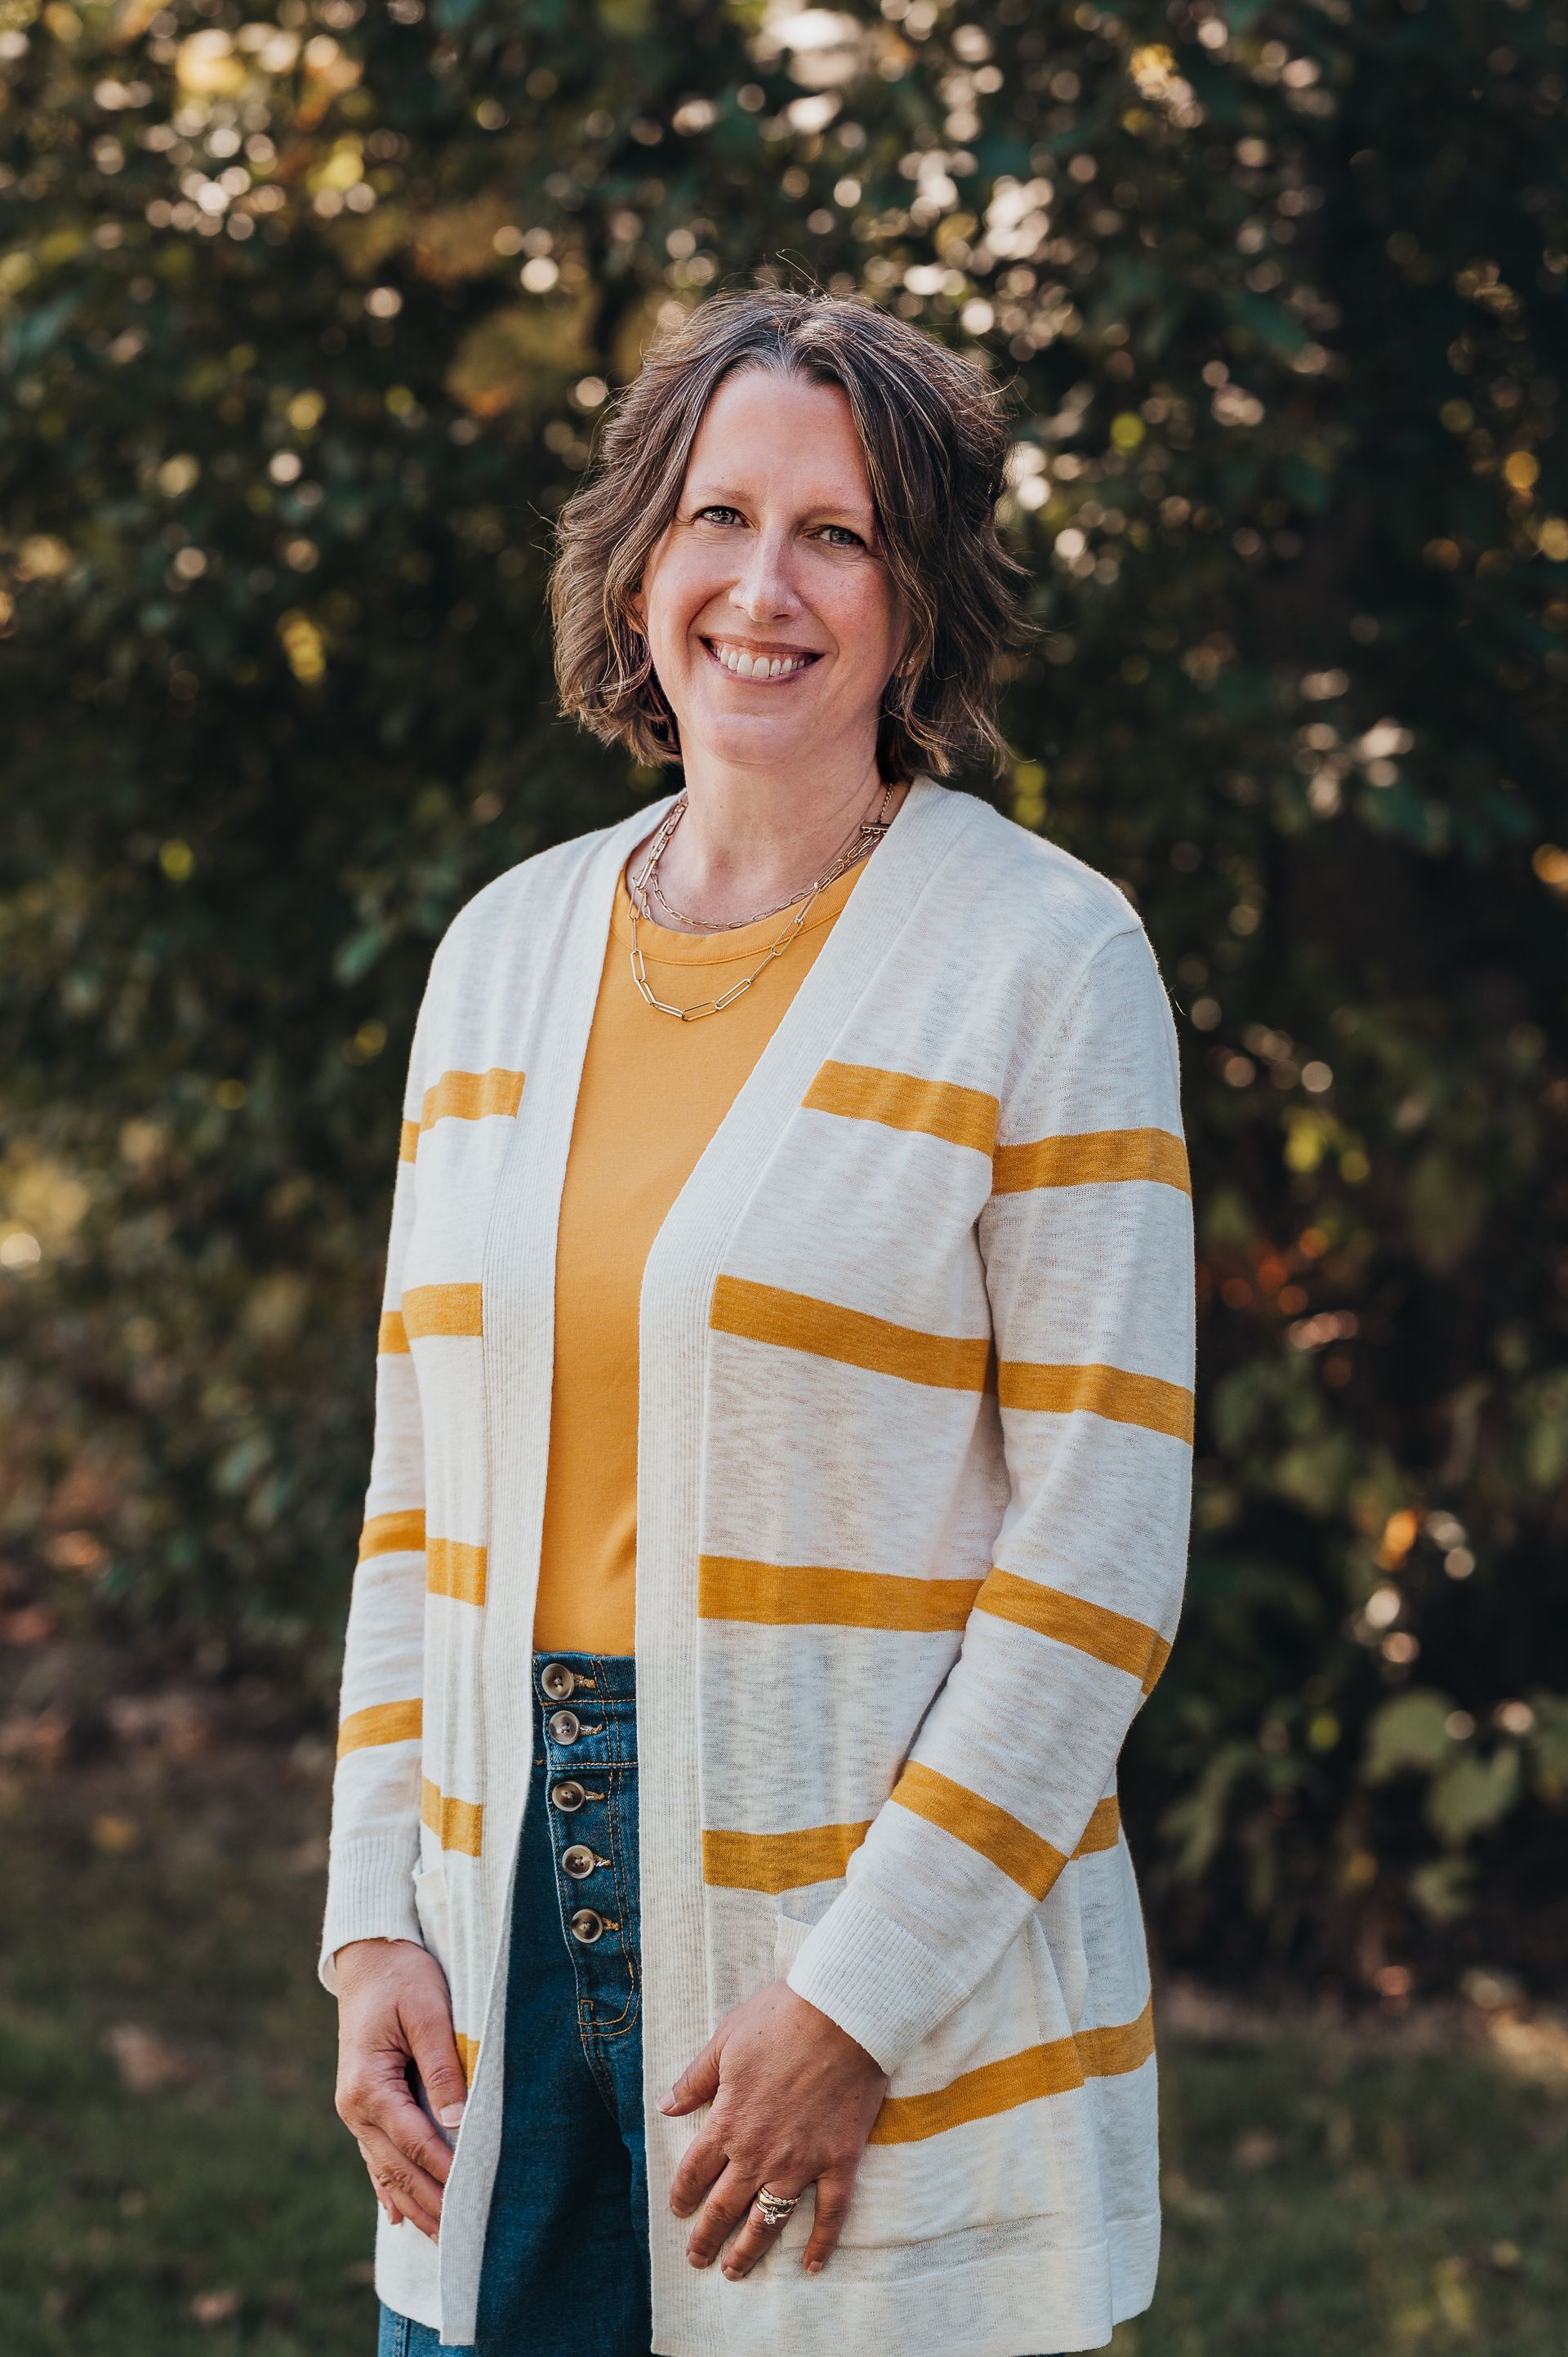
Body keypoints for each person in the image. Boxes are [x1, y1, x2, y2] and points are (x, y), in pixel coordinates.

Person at [322, 287, 1195, 2357]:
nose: (766, 586)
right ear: (639, 561)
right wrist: (375, 1919)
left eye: (842, 534)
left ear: (919, 601)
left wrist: (856, 1999)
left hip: (852, 1920)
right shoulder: (500, 957)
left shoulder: (1046, 960)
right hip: (499, 1899)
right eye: (720, 515)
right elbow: (415, 1491)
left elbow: (1095, 1557)